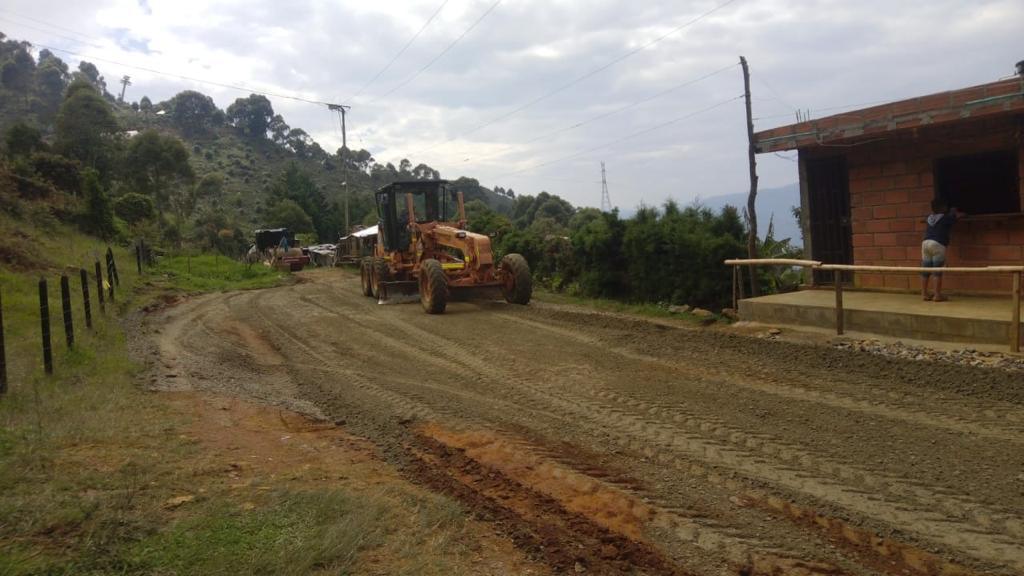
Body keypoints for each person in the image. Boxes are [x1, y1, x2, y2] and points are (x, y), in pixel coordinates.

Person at [921, 199, 964, 302]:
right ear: (944, 208)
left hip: (925, 243)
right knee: (937, 271)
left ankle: (924, 294)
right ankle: (937, 295)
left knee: (925, 271)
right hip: (938, 244)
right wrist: (955, 213)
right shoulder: (946, 218)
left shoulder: (929, 217)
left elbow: (927, 219)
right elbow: (959, 216)